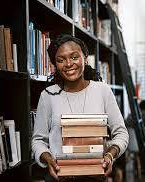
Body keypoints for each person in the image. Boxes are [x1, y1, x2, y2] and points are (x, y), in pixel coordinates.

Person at [32, 34, 129, 182]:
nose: (68, 63)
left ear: (85, 58)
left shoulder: (102, 90)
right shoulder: (48, 95)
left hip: (95, 175)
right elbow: (38, 140)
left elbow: (121, 133)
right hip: (59, 176)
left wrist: (110, 155)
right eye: (61, 60)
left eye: (74, 57)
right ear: (55, 65)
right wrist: (47, 158)